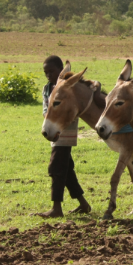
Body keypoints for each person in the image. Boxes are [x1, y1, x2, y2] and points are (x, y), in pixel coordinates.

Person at [34, 55, 91, 218]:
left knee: (56, 167)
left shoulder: (67, 87)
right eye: (46, 72)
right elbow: (47, 109)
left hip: (65, 129)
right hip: (53, 127)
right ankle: (83, 204)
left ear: (61, 71)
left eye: (51, 71)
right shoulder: (47, 88)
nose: (48, 75)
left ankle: (56, 208)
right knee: (67, 169)